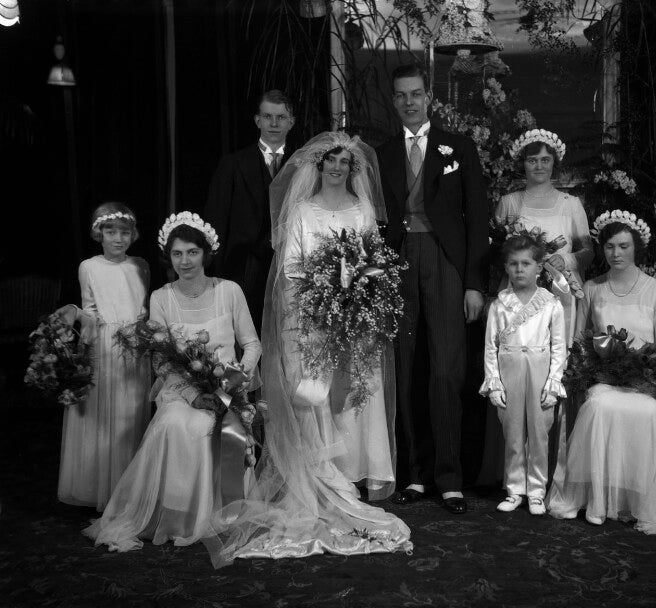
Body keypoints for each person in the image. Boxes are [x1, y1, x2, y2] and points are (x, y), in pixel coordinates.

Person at [201, 132, 412, 567]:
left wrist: (356, 291)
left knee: (355, 394)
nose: (336, 168)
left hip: (354, 318)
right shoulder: (300, 210)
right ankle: (319, 475)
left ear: (354, 169)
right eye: (329, 161)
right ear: (317, 165)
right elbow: (292, 265)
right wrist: (326, 289)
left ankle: (351, 474)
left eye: (344, 162)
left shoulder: (363, 208)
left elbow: (372, 258)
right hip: (310, 317)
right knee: (311, 395)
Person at [84, 212, 262, 552]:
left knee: (208, 428)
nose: (185, 261)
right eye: (177, 254)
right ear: (170, 256)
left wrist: (235, 380)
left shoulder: (230, 291)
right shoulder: (161, 298)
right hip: (181, 391)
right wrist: (194, 395)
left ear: (205, 253)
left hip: (227, 390)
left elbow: (252, 344)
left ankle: (219, 514)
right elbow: (162, 359)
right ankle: (175, 516)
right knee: (173, 425)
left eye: (192, 252)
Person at [547, 211, 656, 533]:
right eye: (610, 246)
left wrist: (643, 368)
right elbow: (580, 341)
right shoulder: (592, 287)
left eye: (624, 246)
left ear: (636, 247)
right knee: (598, 405)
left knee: (648, 413)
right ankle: (597, 499)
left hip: (647, 379)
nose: (616, 254)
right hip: (604, 378)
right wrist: (598, 367)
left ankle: (639, 499)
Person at [377, 64, 489, 515]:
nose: (409, 101)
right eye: (401, 95)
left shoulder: (459, 147)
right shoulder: (379, 154)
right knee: (405, 369)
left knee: (446, 370)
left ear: (429, 97)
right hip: (396, 263)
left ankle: (450, 479)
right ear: (394, 100)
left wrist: (474, 284)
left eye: (417, 94)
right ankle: (414, 475)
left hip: (446, 264)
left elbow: (478, 218)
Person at [478, 128, 592, 487]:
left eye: (545, 160)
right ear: (522, 163)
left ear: (554, 163)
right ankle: (509, 474)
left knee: (550, 372)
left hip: (557, 298)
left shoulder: (570, 205)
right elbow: (495, 251)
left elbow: (588, 250)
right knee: (512, 368)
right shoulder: (510, 202)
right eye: (532, 159)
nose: (538, 166)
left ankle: (551, 473)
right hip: (515, 297)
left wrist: (563, 260)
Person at [58, 203, 151, 511]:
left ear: (133, 235)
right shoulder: (89, 266)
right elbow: (90, 310)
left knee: (130, 413)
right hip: (103, 347)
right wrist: (77, 318)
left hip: (134, 347)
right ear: (99, 234)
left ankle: (128, 487)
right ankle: (99, 487)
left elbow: (143, 308)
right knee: (103, 416)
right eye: (111, 232)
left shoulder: (140, 264)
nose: (117, 239)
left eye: (124, 232)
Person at [480, 234, 567, 515]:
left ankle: (537, 491)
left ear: (539, 267)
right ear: (506, 267)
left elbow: (559, 346)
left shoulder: (551, 303)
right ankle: (515, 489)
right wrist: (494, 383)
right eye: (514, 264)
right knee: (513, 432)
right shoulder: (500, 304)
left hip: (540, 371)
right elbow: (490, 347)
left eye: (526, 263)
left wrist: (554, 381)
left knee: (540, 432)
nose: (520, 269)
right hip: (510, 370)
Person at [204, 90, 295, 332]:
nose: (274, 123)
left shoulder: (303, 166)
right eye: (267, 116)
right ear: (257, 121)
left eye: (281, 117)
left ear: (291, 122)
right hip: (242, 271)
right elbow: (216, 222)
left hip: (289, 271)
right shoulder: (232, 164)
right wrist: (216, 275)